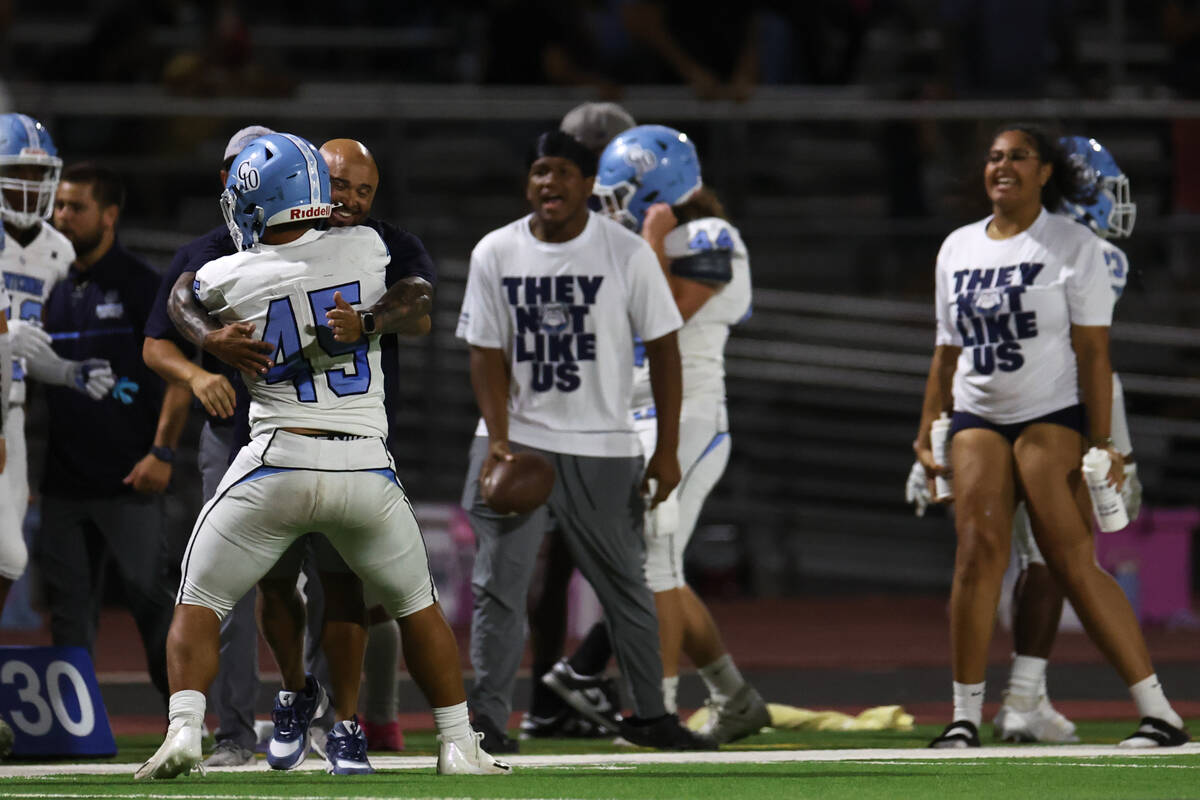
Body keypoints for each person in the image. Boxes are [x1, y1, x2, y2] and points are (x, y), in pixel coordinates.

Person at [135, 132, 507, 779]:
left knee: (199, 598)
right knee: (416, 606)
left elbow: (181, 297)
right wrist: (367, 323)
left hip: (277, 460)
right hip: (364, 465)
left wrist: (210, 338)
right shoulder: (367, 246)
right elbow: (414, 294)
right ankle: (457, 743)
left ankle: (186, 731)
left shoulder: (225, 274)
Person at [914, 124, 1189, 749]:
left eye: (1018, 156)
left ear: (1045, 173)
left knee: (1068, 558)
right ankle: (963, 717)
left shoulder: (1075, 244)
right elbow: (945, 351)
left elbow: (1095, 352)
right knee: (975, 555)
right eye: (994, 157)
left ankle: (1158, 711)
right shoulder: (956, 247)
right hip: (976, 415)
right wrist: (926, 430)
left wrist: (1105, 442)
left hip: (1049, 412)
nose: (1003, 165)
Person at [457, 129, 714, 753]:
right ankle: (487, 721)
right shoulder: (494, 250)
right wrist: (498, 435)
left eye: (565, 172)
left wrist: (669, 449)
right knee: (499, 587)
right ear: (529, 183)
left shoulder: (626, 252)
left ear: (587, 184)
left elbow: (665, 349)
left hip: (604, 444)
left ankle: (650, 715)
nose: (551, 183)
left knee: (627, 586)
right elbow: (484, 353)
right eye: (541, 171)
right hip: (518, 443)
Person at [545, 125, 768, 744]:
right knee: (654, 567)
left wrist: (645, 241)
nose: (609, 208)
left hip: (689, 417)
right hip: (634, 418)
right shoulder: (646, 241)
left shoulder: (707, 236)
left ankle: (656, 708)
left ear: (659, 189)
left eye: (621, 195)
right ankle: (733, 696)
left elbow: (662, 317)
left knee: (654, 565)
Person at [42, 162, 191, 705]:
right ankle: (70, 725)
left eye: (74, 207)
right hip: (63, 480)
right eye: (57, 206)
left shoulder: (140, 284)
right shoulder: (47, 284)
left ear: (109, 215)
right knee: (67, 607)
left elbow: (179, 379)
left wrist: (162, 452)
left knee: (153, 603)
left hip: (133, 476)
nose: (61, 216)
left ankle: (186, 719)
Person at [516, 102, 639, 741]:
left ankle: (548, 695)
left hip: (566, 407)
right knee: (642, 563)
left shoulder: (561, 226)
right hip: (605, 412)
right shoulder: (620, 225)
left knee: (556, 563)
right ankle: (580, 680)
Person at [0, 113, 115, 616]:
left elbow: (38, 345)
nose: (29, 186)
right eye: (18, 173)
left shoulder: (59, 252)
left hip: (13, 406)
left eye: (37, 175)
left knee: (9, 556)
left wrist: (69, 370)